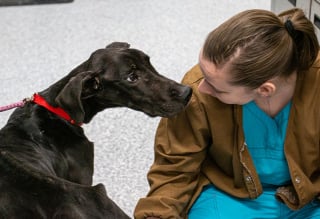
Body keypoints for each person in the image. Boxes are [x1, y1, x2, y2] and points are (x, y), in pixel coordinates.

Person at [134, 8, 320, 219]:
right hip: (230, 195)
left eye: (217, 88)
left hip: (310, 197)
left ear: (264, 90)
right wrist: (157, 213)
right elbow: (174, 165)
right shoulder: (195, 89)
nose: (201, 88)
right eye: (203, 73)